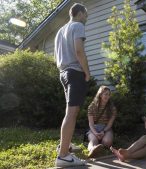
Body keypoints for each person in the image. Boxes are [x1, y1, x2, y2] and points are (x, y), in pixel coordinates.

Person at [54, 3, 90, 167]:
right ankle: (63, 156)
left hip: (63, 73)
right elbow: (79, 51)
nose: (86, 18)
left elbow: (57, 58)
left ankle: (65, 145)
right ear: (80, 13)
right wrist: (87, 72)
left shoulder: (60, 31)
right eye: (86, 14)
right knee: (72, 114)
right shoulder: (78, 25)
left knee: (69, 112)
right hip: (75, 73)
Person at [87, 86, 117, 158]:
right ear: (100, 95)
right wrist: (95, 133)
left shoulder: (112, 108)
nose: (107, 96)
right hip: (94, 128)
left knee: (107, 142)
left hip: (106, 128)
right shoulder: (92, 106)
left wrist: (103, 131)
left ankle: (100, 146)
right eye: (105, 94)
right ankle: (92, 150)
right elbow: (91, 124)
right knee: (93, 141)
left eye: (109, 94)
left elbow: (110, 124)